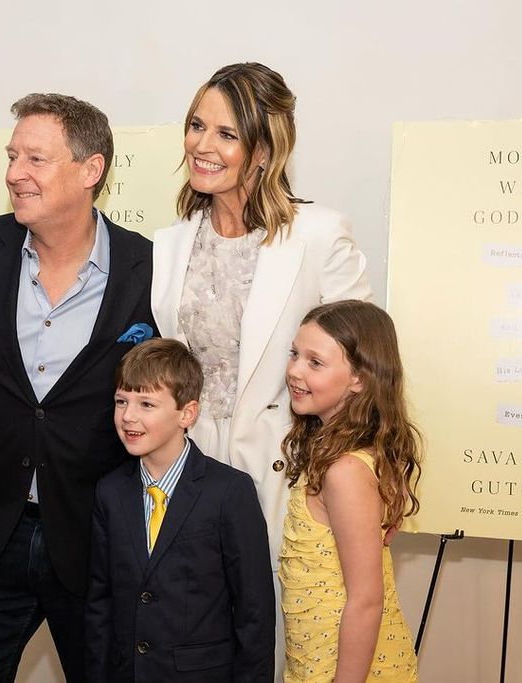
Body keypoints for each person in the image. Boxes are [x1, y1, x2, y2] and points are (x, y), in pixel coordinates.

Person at [151, 62, 374, 672]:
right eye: (197, 125)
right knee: (186, 625)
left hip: (284, 471)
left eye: (226, 133)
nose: (202, 144)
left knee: (269, 636)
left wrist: (338, 480)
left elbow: (363, 369)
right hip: (185, 470)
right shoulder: (167, 246)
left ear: (263, 149)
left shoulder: (319, 235)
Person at [0, 93, 155, 682]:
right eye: (12, 156)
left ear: (91, 169)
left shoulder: (149, 268)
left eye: (35, 158)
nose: (13, 173)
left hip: (97, 540)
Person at [85, 338, 275, 682]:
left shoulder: (229, 491)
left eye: (146, 403)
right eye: (121, 401)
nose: (128, 416)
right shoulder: (110, 492)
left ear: (187, 413)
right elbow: (100, 603)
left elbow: (254, 611)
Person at [279, 301, 421, 682]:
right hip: (320, 659)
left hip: (345, 669)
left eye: (315, 362)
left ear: (360, 377)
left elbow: (366, 600)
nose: (294, 370)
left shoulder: (345, 471)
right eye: (294, 354)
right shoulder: (335, 455)